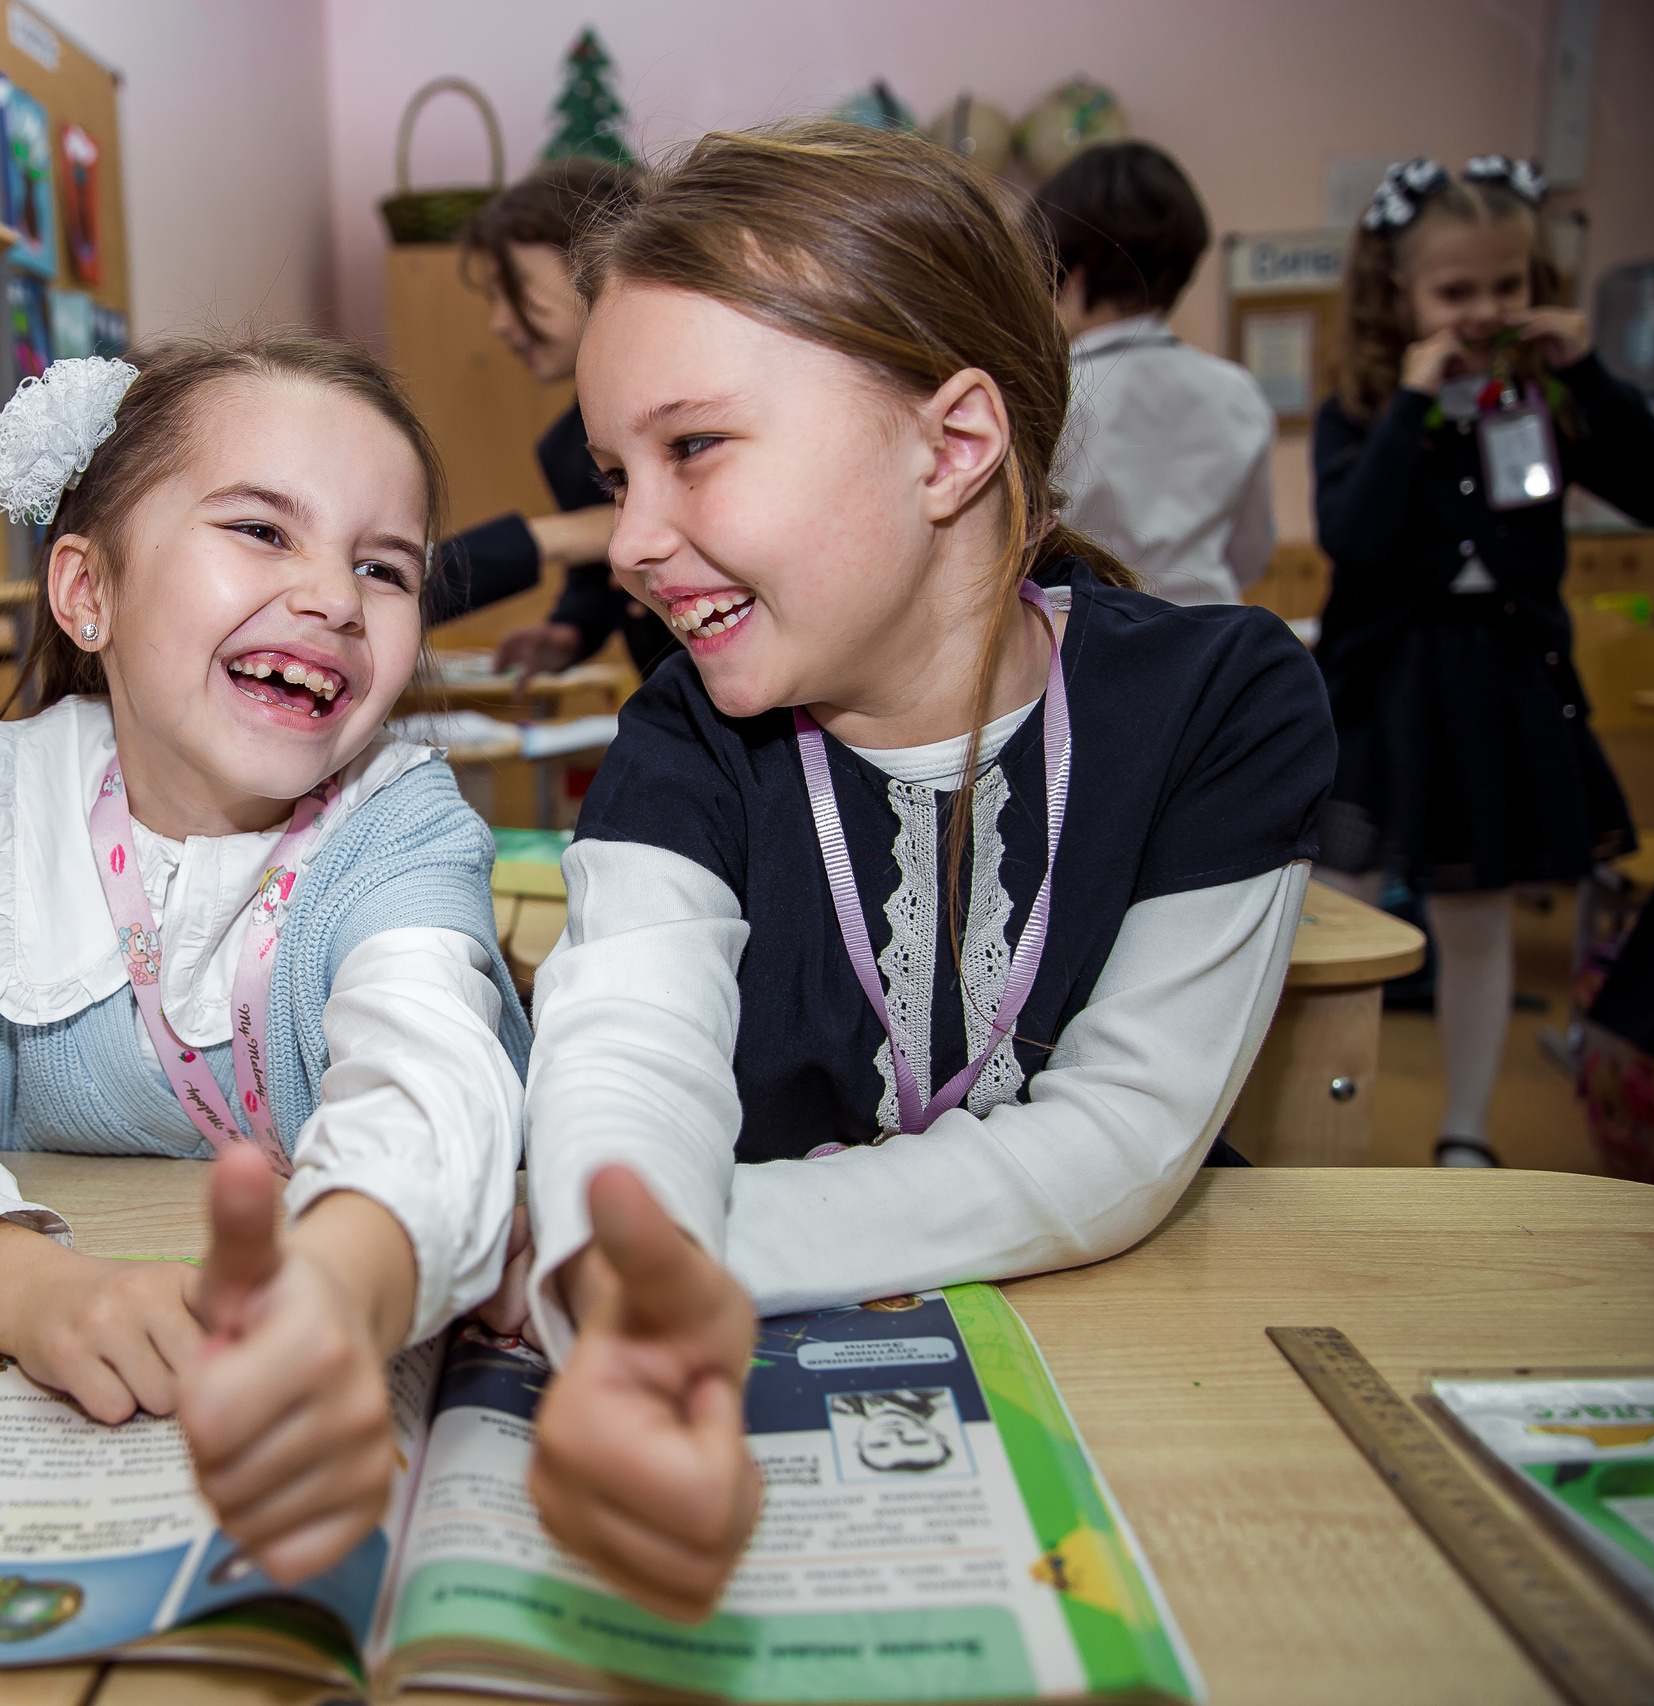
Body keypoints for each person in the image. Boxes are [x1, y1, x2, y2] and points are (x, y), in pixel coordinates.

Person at [505, 120, 1335, 1621]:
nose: (631, 539)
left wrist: (691, 1249)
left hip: (1149, 1405)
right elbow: (623, 1045)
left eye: (690, 447)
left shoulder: (1222, 702)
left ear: (953, 443)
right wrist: (618, 1269)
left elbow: (1125, 1140)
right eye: (620, 470)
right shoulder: (684, 737)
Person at [0, 334, 533, 1584]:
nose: (335, 593)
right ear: (88, 591)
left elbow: (430, 1089)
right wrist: (27, 1292)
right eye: (264, 531)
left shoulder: (403, 826)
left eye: (382, 564)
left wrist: (338, 1291)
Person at [1313, 155, 1654, 1167]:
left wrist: (1589, 369)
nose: (1485, 309)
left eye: (1506, 286)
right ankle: (1320, 1122)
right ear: (1400, 294)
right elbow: (1355, 535)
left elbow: (1651, 485)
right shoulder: (1364, 405)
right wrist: (1413, 407)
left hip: (1499, 690)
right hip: (1380, 696)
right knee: (1336, 905)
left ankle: (1464, 1126)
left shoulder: (1548, 397)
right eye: (1455, 290)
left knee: (1476, 911)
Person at [426, 159, 677, 677]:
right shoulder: (564, 446)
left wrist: (559, 536)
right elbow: (597, 583)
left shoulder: (694, 398)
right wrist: (572, 629)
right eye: (491, 299)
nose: (498, 323)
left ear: (601, 254)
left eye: (515, 286)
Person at [1035, 141, 1275, 606]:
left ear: (1073, 272)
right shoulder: (1236, 391)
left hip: (1092, 642)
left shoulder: (1055, 395)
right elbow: (1250, 557)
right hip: (1212, 643)